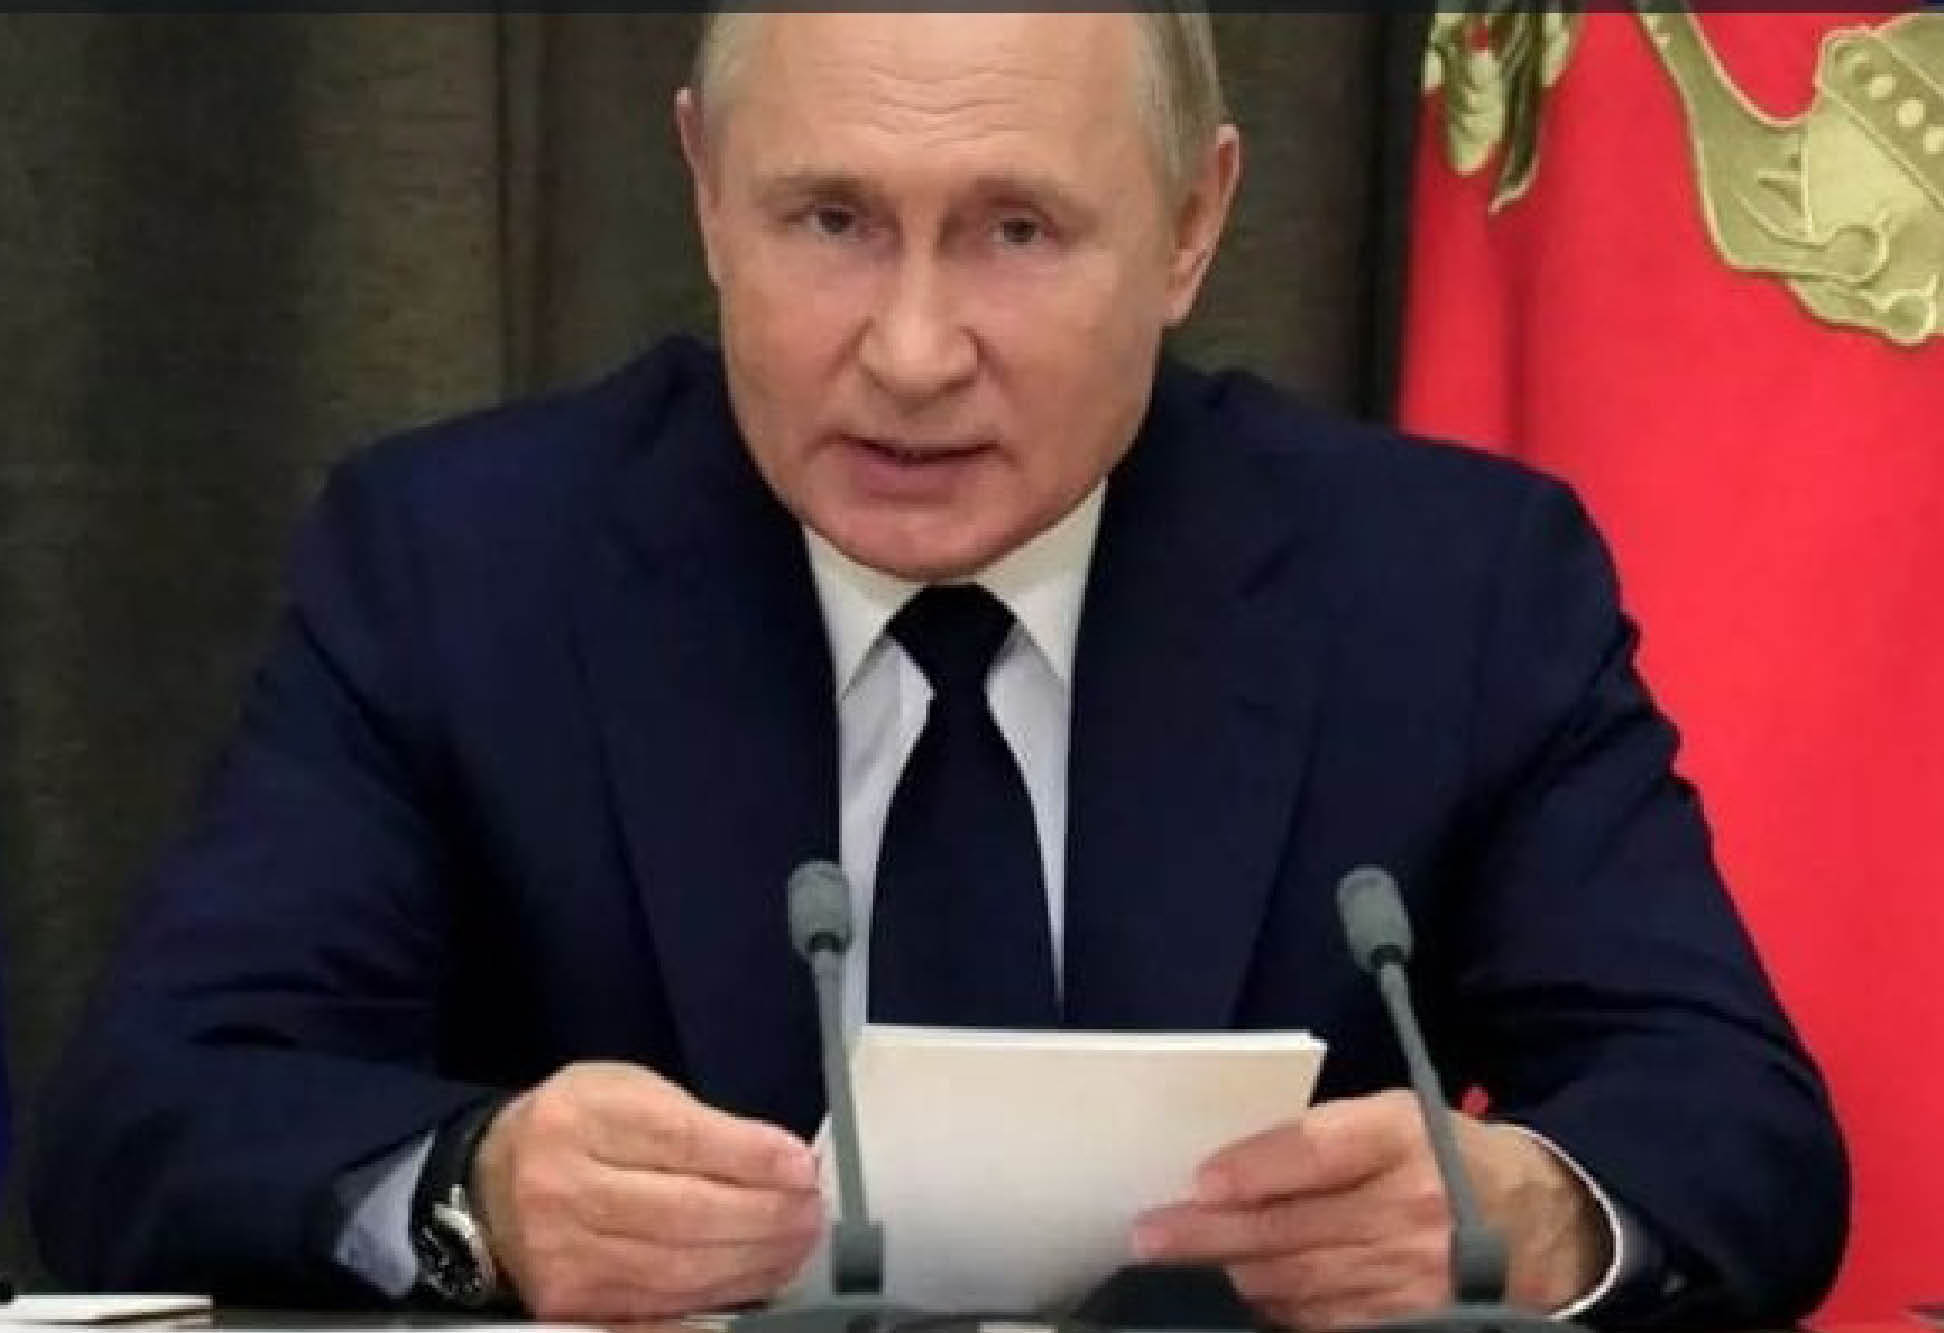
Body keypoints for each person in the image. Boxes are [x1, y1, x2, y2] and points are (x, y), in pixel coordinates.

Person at [34, 11, 1844, 1331]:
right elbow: (148, 1114)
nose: (910, 352)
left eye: (1015, 231)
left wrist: (1532, 1210)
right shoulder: (461, 567)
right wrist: (478, 1188)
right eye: (830, 221)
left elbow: (1735, 1124)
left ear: (1193, 225)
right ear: (706, 191)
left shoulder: (1447, 590)